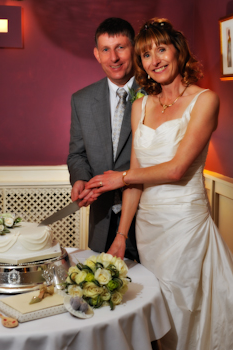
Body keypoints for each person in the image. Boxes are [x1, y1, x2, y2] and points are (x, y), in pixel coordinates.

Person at [85, 18, 233, 350]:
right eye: (147, 55)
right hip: (147, 229)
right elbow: (137, 176)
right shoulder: (140, 106)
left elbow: (178, 169)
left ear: (179, 52)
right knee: (157, 315)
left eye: (162, 49)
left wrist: (119, 177)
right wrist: (122, 236)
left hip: (185, 224)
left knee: (184, 312)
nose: (156, 60)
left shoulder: (205, 100)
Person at [67, 17, 140, 261]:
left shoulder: (156, 94)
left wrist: (122, 178)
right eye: (106, 50)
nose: (114, 58)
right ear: (97, 54)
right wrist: (80, 179)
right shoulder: (81, 100)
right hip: (102, 223)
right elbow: (77, 154)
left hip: (148, 219)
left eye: (120, 47)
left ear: (135, 48)